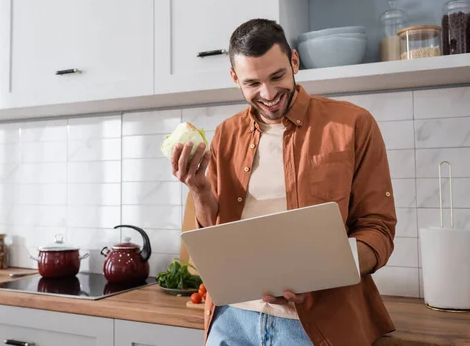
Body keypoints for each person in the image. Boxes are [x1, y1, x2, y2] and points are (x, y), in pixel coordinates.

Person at [170, 19, 397, 346]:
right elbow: (215, 233)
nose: (268, 94)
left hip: (314, 325)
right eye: (252, 83)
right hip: (231, 319)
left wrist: (320, 273)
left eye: (277, 76)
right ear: (235, 79)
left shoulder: (353, 124)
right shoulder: (226, 134)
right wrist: (200, 190)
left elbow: (379, 230)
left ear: (294, 61)